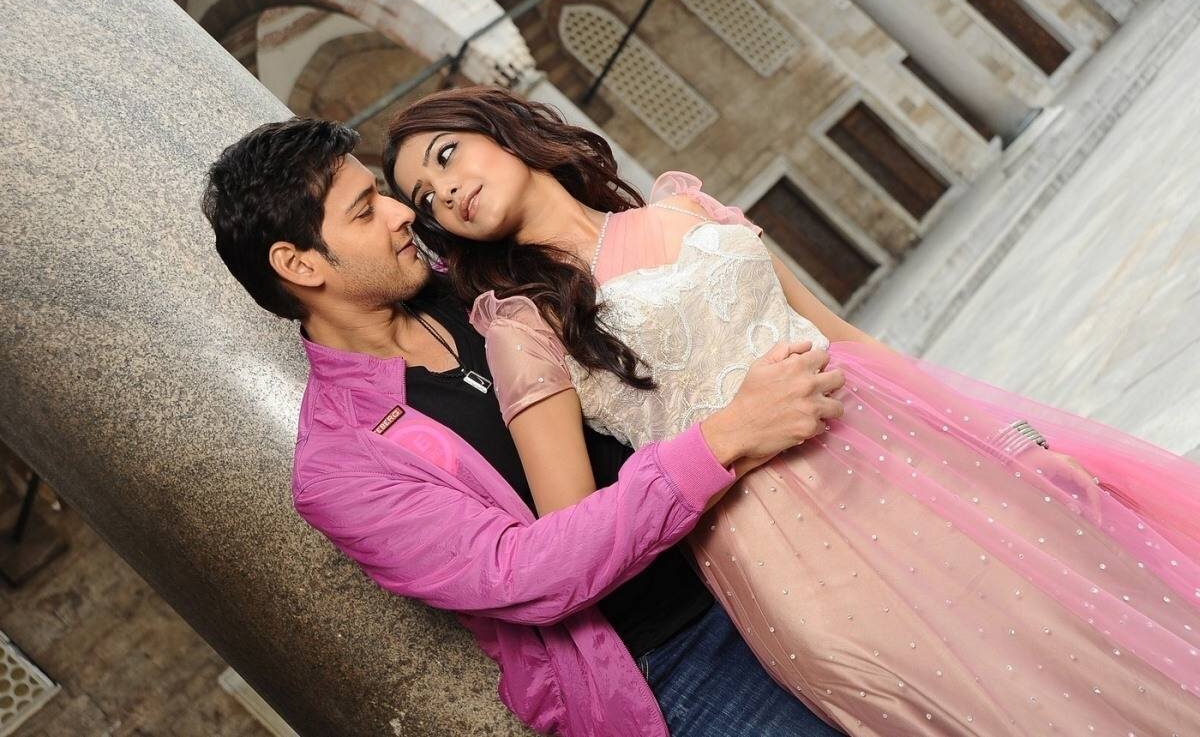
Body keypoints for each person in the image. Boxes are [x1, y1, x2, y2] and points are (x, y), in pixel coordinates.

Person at [385, 85, 1200, 735]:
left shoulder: (682, 207)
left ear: (502, 124)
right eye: (426, 197)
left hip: (912, 455)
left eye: (447, 154)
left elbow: (842, 335)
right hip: (788, 543)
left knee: (1089, 643)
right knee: (997, 702)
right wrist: (720, 438)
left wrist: (1010, 441)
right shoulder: (525, 325)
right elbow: (579, 526)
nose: (446, 190)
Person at [201, 117, 845, 736]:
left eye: (382, 192)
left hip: (766, 550)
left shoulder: (478, 278)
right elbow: (521, 571)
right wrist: (725, 438)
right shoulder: (340, 469)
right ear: (299, 265)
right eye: (366, 211)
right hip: (679, 660)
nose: (402, 214)